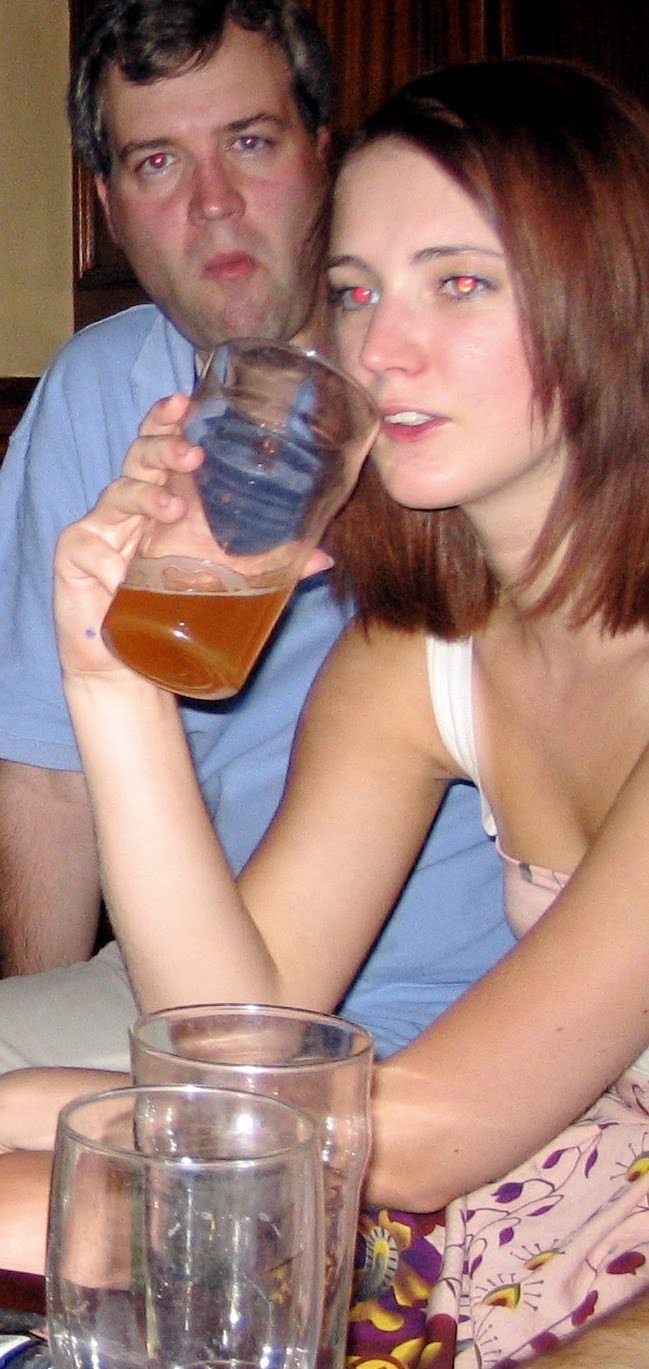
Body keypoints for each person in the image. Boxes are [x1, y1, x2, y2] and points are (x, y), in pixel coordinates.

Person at [2, 52, 649, 1367]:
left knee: (43, 1198)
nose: (378, 345)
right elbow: (234, 1042)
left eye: (458, 282)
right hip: (545, 1162)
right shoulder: (422, 656)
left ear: (609, 298)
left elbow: (421, 1138)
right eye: (355, 291)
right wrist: (109, 673)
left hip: (563, 1187)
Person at [0, 0, 512, 1068]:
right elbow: (47, 781)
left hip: (477, 1020)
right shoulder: (100, 396)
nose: (213, 204)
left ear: (326, 154)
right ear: (106, 204)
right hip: (193, 984)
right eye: (155, 163)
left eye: (248, 141)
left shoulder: (462, 410)